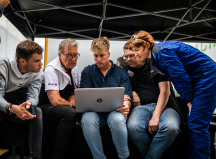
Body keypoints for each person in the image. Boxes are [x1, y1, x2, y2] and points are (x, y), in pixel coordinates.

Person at [127, 30, 216, 159]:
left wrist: (189, 100)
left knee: (198, 124)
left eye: (137, 49)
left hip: (207, 77)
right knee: (194, 123)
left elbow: (180, 78)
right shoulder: (159, 51)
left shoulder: (161, 53)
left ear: (146, 45)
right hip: (200, 77)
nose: (135, 54)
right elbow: (177, 78)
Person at [0, 40, 43, 159]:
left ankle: (36, 157)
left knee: (38, 112)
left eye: (41, 59)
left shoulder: (38, 73)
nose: (41, 64)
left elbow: (33, 96)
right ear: (22, 61)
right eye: (37, 61)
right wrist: (11, 108)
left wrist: (28, 104)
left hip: (19, 104)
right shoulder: (0, 67)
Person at [123, 43, 182, 159]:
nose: (128, 59)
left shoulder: (156, 65)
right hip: (140, 108)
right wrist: (132, 92)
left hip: (166, 107)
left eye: (131, 55)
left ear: (139, 54)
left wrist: (155, 116)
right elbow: (122, 86)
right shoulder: (125, 68)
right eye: (126, 56)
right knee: (133, 127)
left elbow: (165, 92)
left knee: (171, 127)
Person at [80, 37, 132, 159]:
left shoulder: (121, 72)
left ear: (108, 54)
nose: (98, 59)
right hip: (94, 113)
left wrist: (126, 106)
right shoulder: (88, 71)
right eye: (95, 56)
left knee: (117, 120)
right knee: (87, 119)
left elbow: (127, 96)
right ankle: (99, 157)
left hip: (116, 111)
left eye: (102, 55)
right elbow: (84, 96)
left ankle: (124, 156)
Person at [38, 38, 80, 159]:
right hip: (45, 106)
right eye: (69, 55)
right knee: (71, 113)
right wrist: (72, 104)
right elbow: (55, 100)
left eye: (75, 55)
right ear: (60, 55)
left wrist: (73, 95)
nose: (73, 59)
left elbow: (75, 89)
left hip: (62, 104)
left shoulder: (74, 68)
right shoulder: (51, 69)